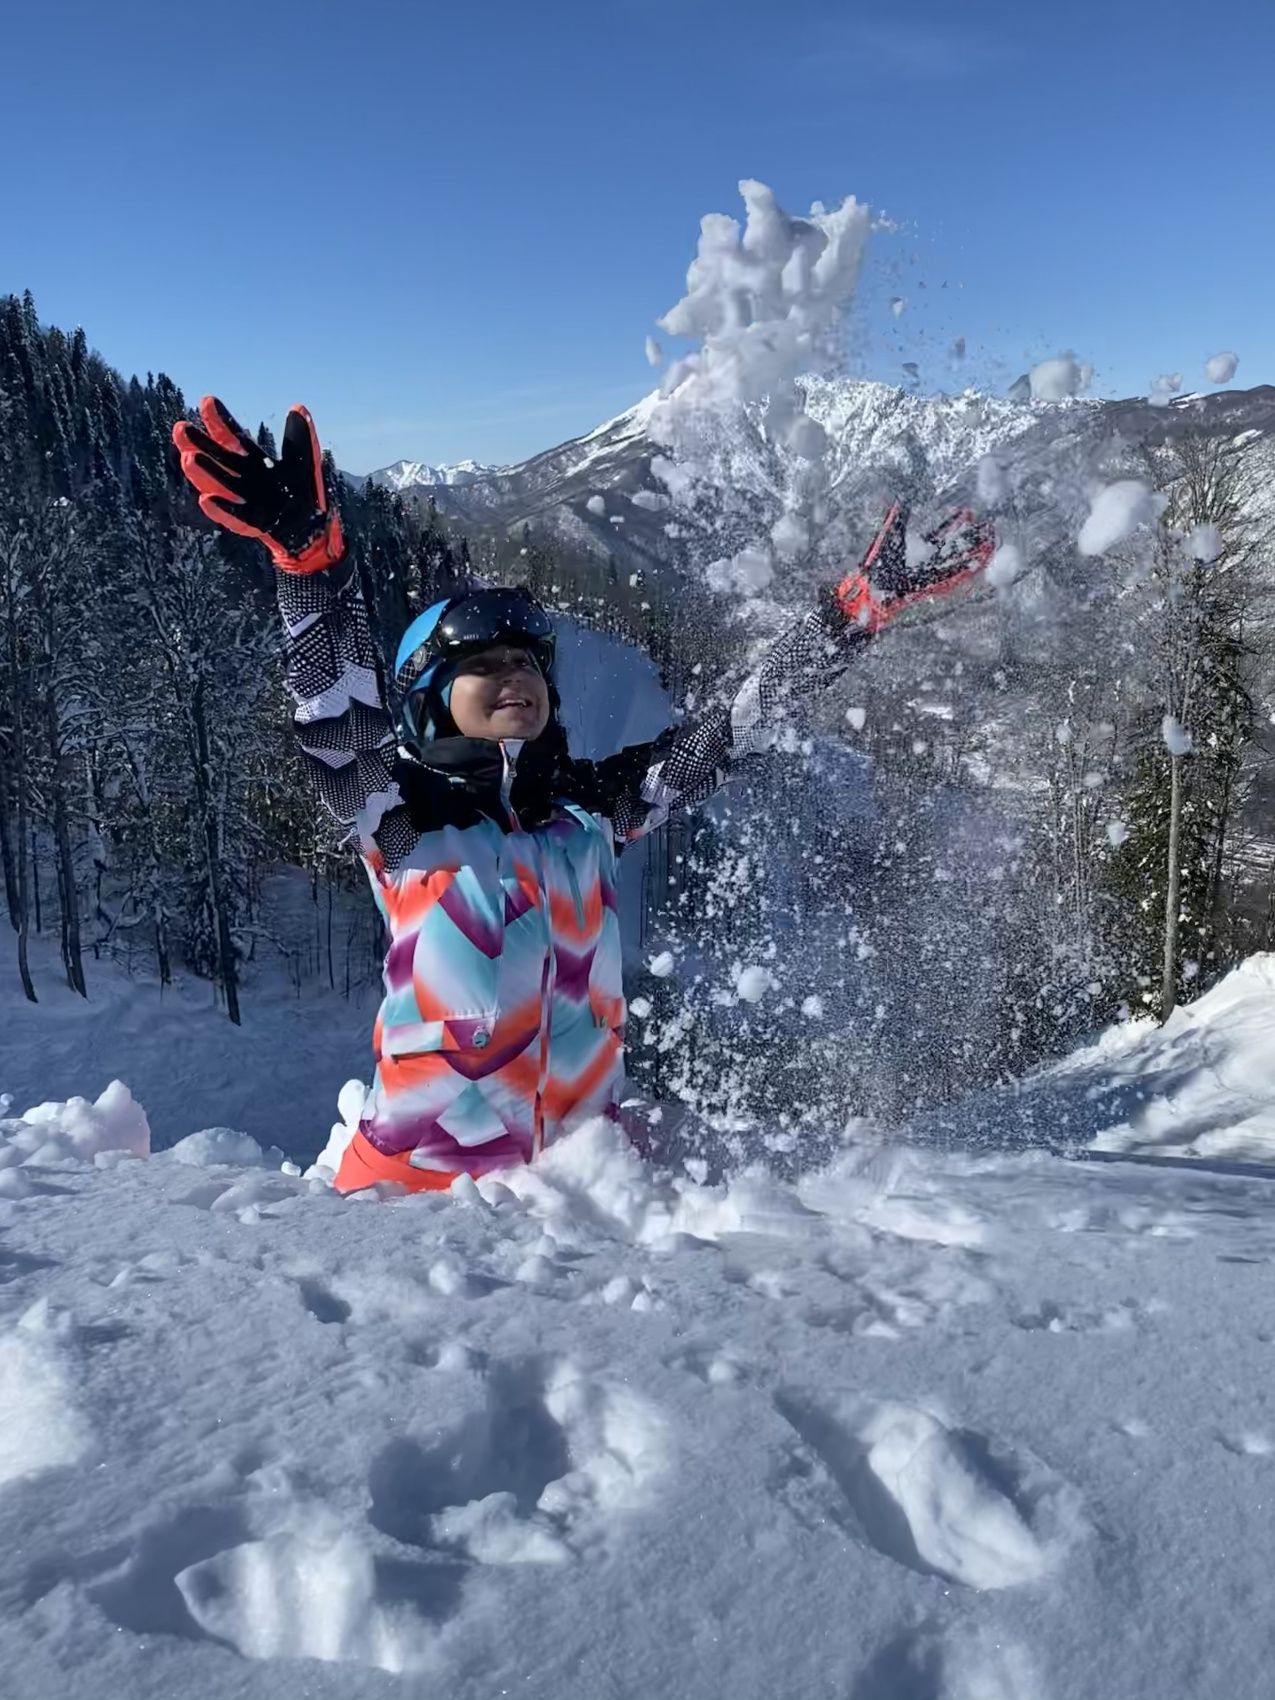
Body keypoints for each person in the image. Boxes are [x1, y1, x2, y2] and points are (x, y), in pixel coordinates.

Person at [173, 398, 991, 1193]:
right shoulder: (402, 819)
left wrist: (844, 621)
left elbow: (724, 733)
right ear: (426, 698)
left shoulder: (587, 811)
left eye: (527, 664)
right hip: (414, 1198)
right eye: (484, 668)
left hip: (583, 1198)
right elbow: (337, 725)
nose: (515, 678)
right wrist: (312, 573)